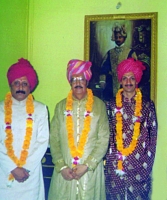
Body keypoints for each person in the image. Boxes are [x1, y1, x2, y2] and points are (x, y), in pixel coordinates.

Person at [0, 58, 49, 200]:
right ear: (10, 85)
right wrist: (13, 168)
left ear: (30, 86)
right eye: (16, 83)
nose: (20, 87)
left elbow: (43, 140)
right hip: (4, 172)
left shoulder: (40, 109)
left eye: (25, 83)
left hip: (30, 174)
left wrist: (26, 168)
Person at [48, 59, 110, 200]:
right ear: (70, 82)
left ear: (87, 81)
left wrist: (87, 165)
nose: (78, 83)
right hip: (65, 172)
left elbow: (104, 139)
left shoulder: (99, 106)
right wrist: (62, 166)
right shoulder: (60, 107)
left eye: (81, 79)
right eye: (74, 79)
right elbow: (54, 138)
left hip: (90, 172)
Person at [105, 58, 158, 199]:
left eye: (132, 78)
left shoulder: (147, 105)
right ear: (121, 81)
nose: (128, 82)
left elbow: (153, 137)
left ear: (137, 80)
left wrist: (147, 164)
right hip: (116, 165)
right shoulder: (110, 105)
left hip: (140, 166)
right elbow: (107, 134)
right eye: (125, 78)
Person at [100, 23, 137, 101]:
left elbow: (136, 71)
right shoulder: (110, 52)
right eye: (116, 37)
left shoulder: (130, 52)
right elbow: (104, 68)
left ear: (124, 38)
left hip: (126, 83)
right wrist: (103, 80)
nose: (118, 39)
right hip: (111, 84)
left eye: (120, 37)